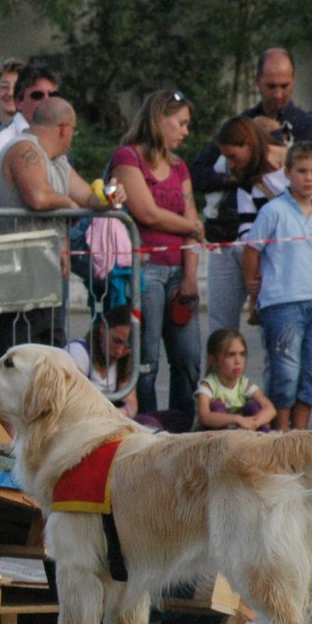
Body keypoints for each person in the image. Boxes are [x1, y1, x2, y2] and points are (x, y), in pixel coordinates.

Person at [0, 95, 115, 354]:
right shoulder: (25, 149)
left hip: (39, 273)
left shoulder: (58, 161)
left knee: (45, 357)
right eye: (73, 131)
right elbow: (39, 197)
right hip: (6, 274)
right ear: (65, 128)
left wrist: (107, 197)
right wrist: (71, 206)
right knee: (11, 360)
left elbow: (87, 196)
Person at [110, 89, 202, 418]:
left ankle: (183, 424)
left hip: (178, 269)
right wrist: (190, 227)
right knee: (145, 360)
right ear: (160, 118)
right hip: (144, 269)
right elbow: (146, 212)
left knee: (189, 357)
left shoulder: (180, 168)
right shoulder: (127, 158)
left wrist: (191, 276)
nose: (185, 131)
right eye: (181, 123)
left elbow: (194, 224)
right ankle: (147, 427)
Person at [242, 141, 312, 432]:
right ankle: (280, 434)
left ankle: (300, 434)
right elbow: (252, 249)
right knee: (285, 372)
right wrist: (254, 291)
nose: (308, 177)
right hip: (282, 303)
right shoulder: (273, 210)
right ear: (288, 173)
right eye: (301, 171)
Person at [189, 47, 312, 196]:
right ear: (257, 81)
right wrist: (234, 179)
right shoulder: (241, 124)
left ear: (294, 79)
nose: (278, 94)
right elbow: (196, 174)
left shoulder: (306, 125)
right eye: (271, 86)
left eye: (284, 86)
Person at [201, 116, 274, 335]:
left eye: (233, 157)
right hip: (229, 241)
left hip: (269, 253)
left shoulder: (287, 169)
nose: (230, 165)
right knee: (221, 328)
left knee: (271, 330)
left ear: (250, 145)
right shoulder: (243, 179)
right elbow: (197, 174)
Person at [0, 65, 60, 180]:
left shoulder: (60, 144)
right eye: (37, 95)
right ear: (19, 101)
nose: (46, 101)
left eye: (53, 95)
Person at [195, 328, 274, 431]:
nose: (238, 361)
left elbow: (270, 409)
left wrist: (254, 423)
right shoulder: (208, 386)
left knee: (254, 407)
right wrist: (237, 419)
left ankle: (264, 445)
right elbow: (205, 417)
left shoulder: (243, 383)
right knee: (217, 407)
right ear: (213, 360)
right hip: (212, 439)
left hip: (240, 432)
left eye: (242, 354)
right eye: (231, 355)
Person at [64, 308, 138, 419]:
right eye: (116, 341)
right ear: (103, 328)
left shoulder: (125, 359)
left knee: (151, 422)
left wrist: (124, 412)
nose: (119, 351)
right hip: (80, 420)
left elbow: (131, 401)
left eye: (127, 346)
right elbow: (76, 399)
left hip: (108, 419)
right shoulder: (78, 351)